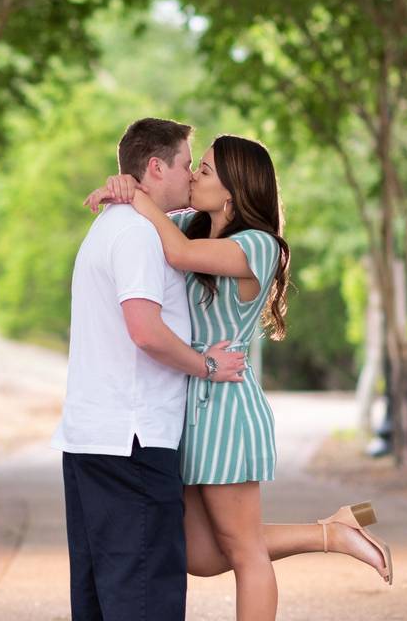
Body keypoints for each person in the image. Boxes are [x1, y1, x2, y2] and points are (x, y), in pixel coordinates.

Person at [86, 133, 393, 620]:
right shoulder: (190, 225)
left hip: (226, 407)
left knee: (245, 551)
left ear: (232, 191)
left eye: (204, 170)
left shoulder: (258, 245)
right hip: (187, 404)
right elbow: (159, 222)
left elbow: (178, 254)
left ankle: (334, 534)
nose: (192, 176)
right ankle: (330, 533)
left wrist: (140, 198)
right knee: (197, 555)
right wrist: (125, 184)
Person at [50, 118, 248, 621]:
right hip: (133, 443)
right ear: (156, 166)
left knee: (100, 599)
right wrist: (207, 364)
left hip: (95, 441)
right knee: (145, 601)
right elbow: (145, 331)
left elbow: (181, 223)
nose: (190, 176)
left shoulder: (117, 224)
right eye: (187, 164)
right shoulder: (138, 235)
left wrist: (125, 187)